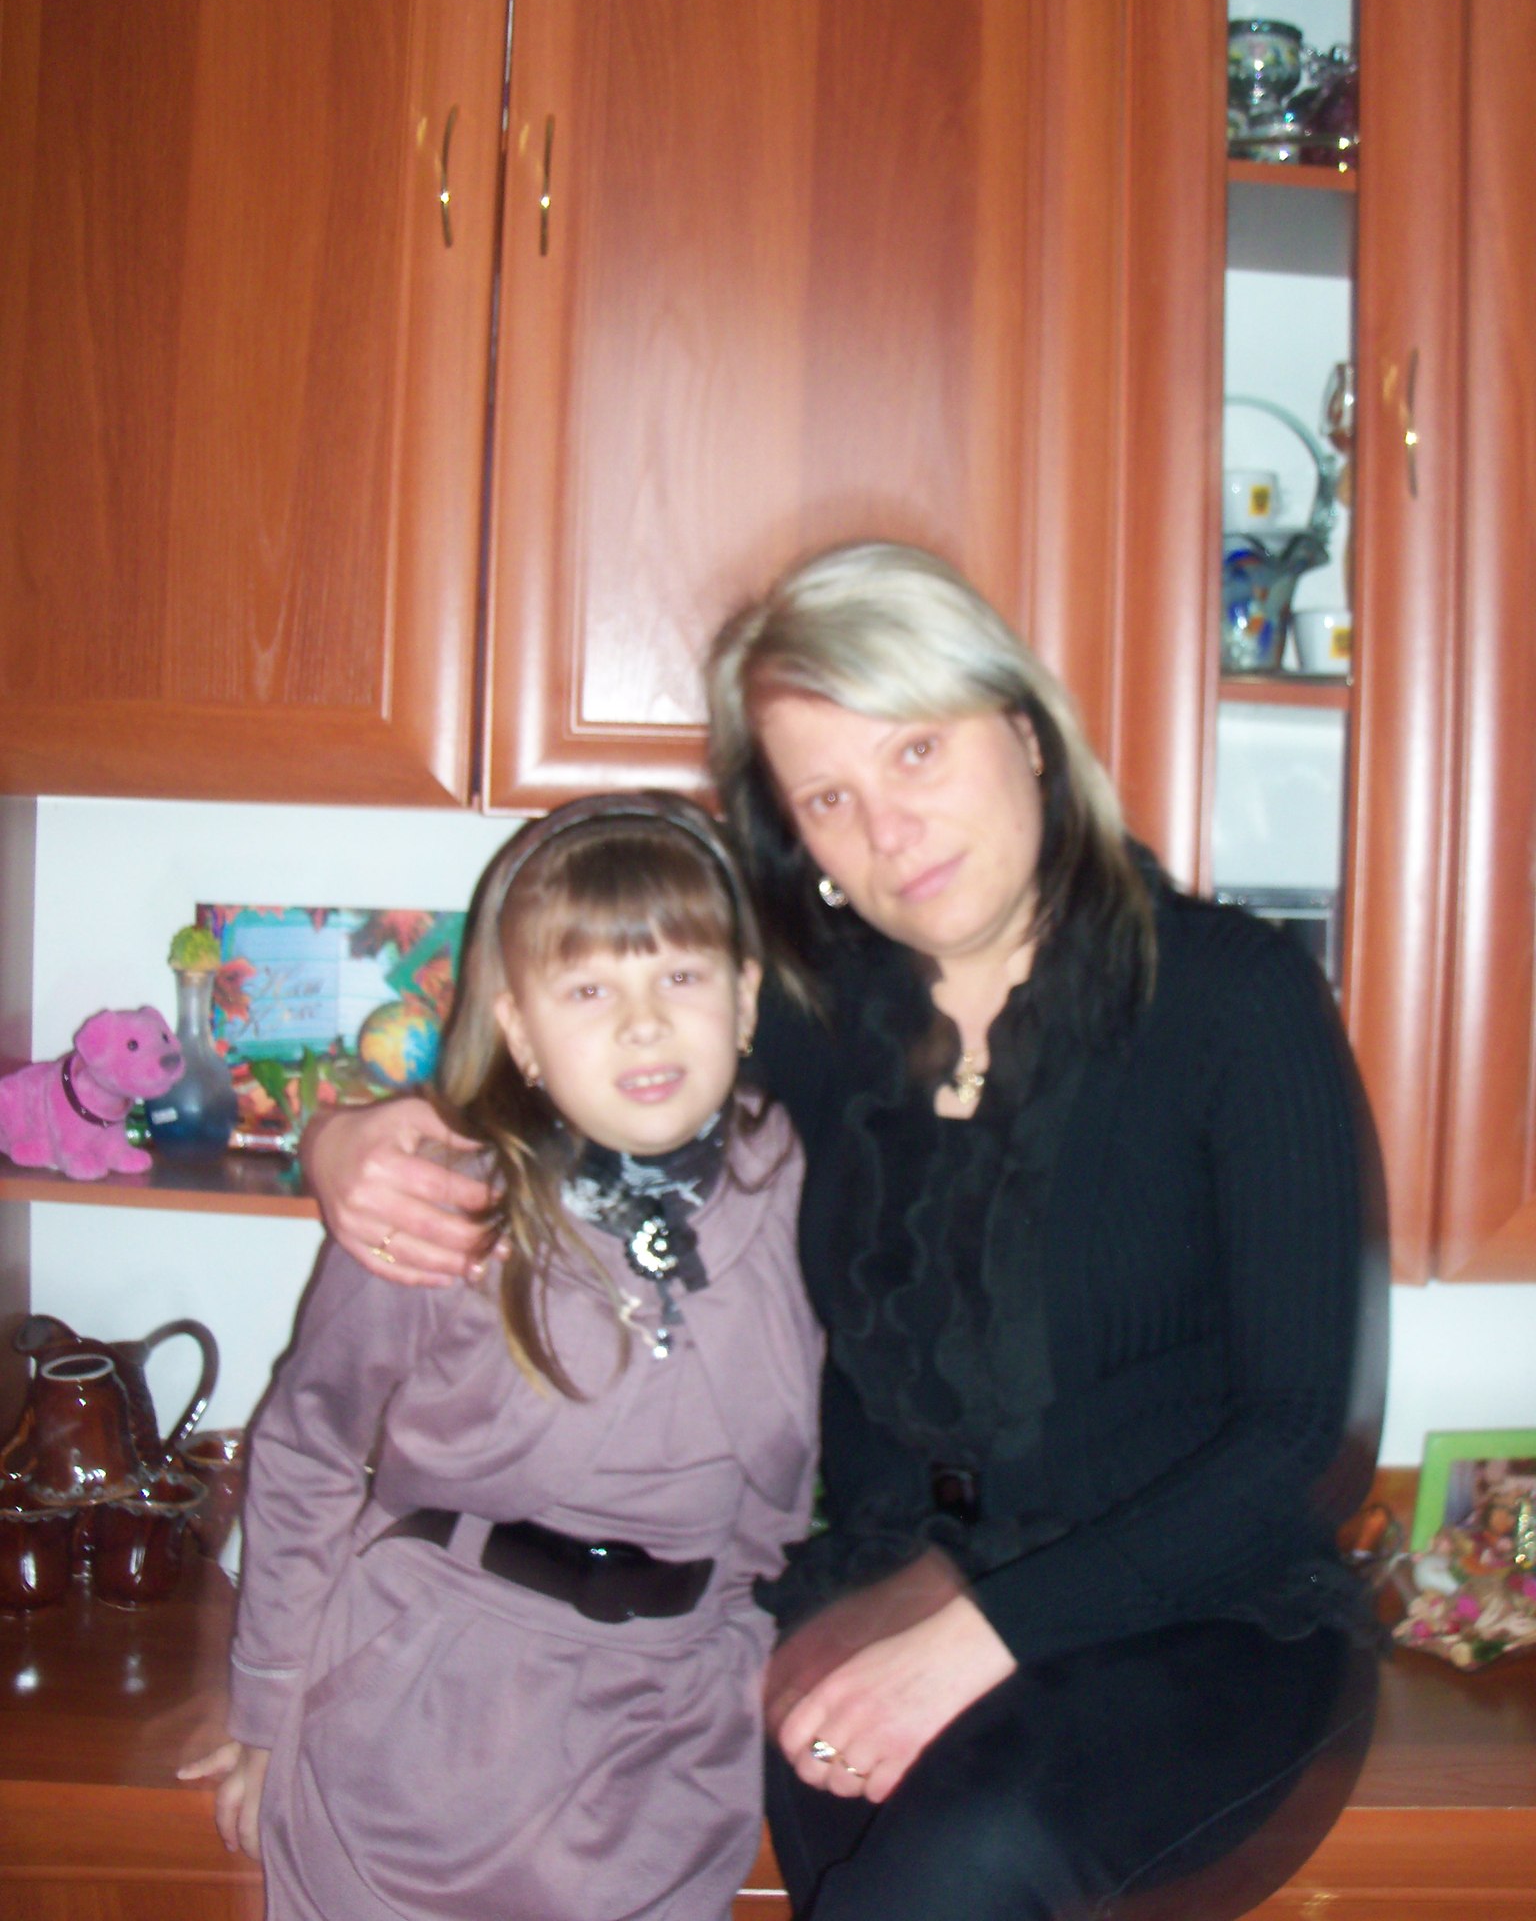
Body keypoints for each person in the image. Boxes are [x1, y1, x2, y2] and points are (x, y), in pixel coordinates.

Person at [306, 544, 1387, 1920]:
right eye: (831, 797)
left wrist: (980, 1636)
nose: (891, 829)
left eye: (917, 750)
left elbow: (1305, 1443)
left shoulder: (1234, 998)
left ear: (1026, 733)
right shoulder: (810, 1025)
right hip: (879, 1589)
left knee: (962, 1853)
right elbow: (577, 1086)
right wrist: (346, 1137)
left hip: (1209, 1616)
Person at [180, 793, 822, 1921]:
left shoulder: (812, 1186)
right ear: (519, 1030)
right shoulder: (437, 1200)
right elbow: (310, 1444)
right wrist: (266, 1709)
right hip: (421, 1716)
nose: (644, 1025)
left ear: (746, 999)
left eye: (681, 976)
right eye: (589, 990)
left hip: (672, 1734)